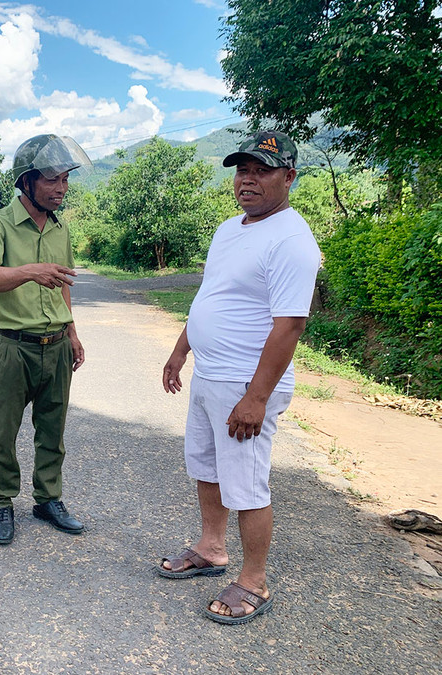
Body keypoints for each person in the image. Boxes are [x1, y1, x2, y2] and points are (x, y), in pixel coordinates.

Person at [159, 130, 320, 624]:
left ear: (289, 176)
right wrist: (180, 350)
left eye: (262, 170)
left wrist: (256, 397)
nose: (248, 179)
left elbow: (289, 324)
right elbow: (211, 296)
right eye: (242, 169)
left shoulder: (293, 240)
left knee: (247, 483)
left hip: (246, 384)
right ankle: (211, 549)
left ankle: (254, 582)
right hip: (211, 374)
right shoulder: (230, 230)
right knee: (205, 467)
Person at [0, 134, 92, 545]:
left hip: (56, 344)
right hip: (14, 347)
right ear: (27, 182)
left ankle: (48, 499)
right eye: (52, 180)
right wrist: (29, 270)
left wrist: (73, 332)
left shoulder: (60, 229)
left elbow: (63, 283)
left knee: (52, 429)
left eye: (65, 180)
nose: (61, 188)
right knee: (3, 431)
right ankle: (1, 503)